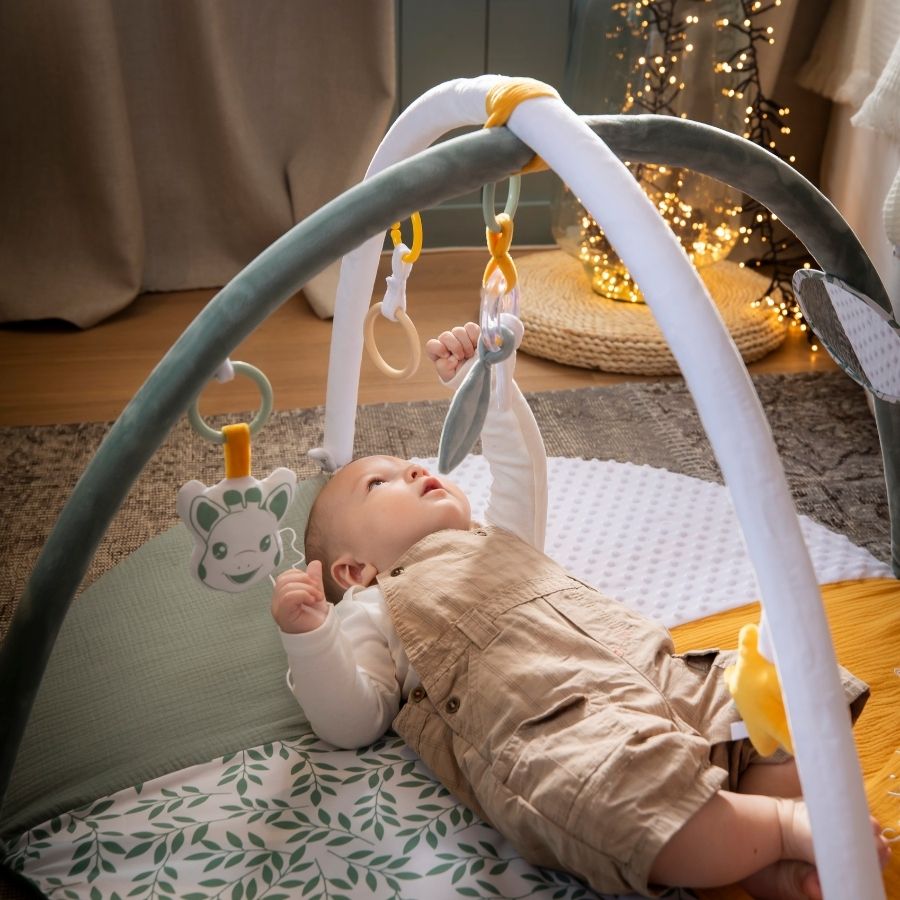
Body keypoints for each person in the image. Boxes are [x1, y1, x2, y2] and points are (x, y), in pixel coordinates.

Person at [271, 322, 888, 899]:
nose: (411, 468)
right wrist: (312, 638)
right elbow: (354, 720)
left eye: (410, 466)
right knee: (617, 801)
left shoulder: (496, 537)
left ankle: (763, 852)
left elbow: (521, 468)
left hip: (661, 673)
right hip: (557, 726)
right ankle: (779, 829)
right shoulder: (374, 606)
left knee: (785, 702)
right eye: (379, 483)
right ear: (354, 571)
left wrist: (489, 384)